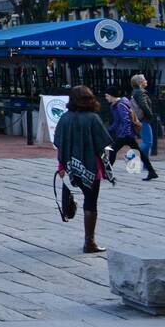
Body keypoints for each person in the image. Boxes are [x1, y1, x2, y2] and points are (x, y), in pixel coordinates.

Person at [55, 85, 114, 254]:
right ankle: (90, 242)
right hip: (91, 166)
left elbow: (60, 144)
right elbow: (102, 143)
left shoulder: (65, 118)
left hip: (72, 165)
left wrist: (61, 166)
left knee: (88, 197)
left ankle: (90, 241)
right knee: (91, 200)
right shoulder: (93, 118)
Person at [106, 89, 158, 181]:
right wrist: (108, 130)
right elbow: (117, 122)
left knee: (113, 150)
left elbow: (126, 121)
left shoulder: (120, 105)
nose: (106, 98)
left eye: (107, 96)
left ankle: (107, 173)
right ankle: (151, 171)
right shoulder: (117, 105)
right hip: (127, 134)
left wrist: (124, 134)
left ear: (111, 95)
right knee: (139, 153)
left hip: (125, 134)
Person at [130, 74, 159, 168]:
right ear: (140, 82)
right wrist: (150, 114)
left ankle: (146, 165)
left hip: (140, 119)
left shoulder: (135, 92)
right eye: (144, 80)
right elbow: (144, 105)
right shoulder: (140, 92)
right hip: (143, 120)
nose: (146, 81)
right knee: (148, 142)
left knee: (146, 141)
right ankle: (131, 157)